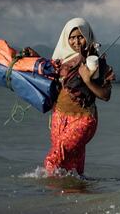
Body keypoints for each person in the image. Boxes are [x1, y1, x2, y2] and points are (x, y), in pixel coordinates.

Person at [38, 18, 114, 176]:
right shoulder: (60, 61)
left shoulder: (97, 62)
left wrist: (87, 79)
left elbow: (106, 95)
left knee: (54, 159)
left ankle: (45, 191)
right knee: (72, 167)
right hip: (59, 117)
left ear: (88, 36)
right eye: (72, 37)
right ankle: (74, 195)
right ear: (66, 38)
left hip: (83, 119)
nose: (76, 41)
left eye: (80, 36)